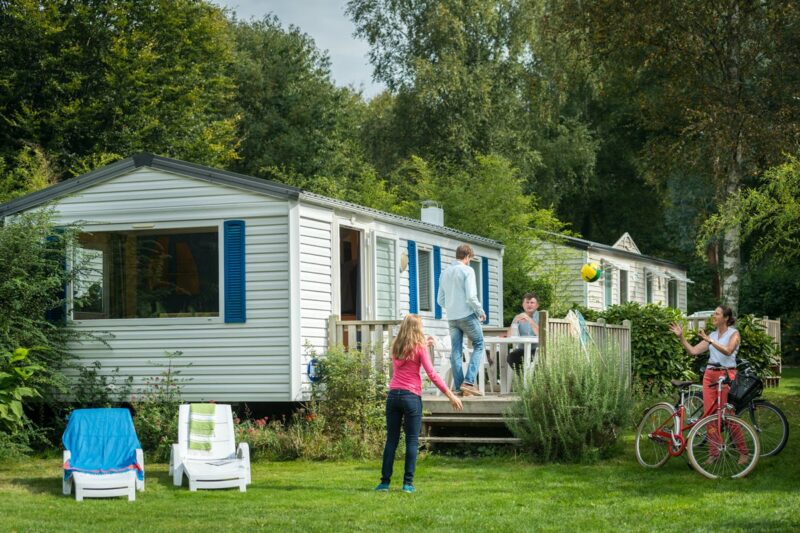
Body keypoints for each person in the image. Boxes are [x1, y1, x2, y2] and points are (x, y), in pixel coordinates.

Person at [375, 315, 462, 493]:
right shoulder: (419, 347)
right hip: (411, 396)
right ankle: (408, 484)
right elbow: (432, 373)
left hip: (393, 396)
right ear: (418, 328)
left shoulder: (395, 347)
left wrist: (425, 344)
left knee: (391, 440)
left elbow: (409, 353)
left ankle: (384, 483)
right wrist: (450, 395)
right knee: (412, 441)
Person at [669, 305, 749, 464]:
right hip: (710, 375)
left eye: (717, 314)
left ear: (726, 318)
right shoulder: (712, 335)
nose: (714, 316)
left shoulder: (734, 333)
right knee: (710, 415)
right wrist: (681, 337)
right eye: (714, 314)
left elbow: (728, 350)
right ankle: (714, 452)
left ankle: (744, 453)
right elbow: (693, 351)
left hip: (726, 375)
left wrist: (710, 341)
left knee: (728, 414)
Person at [436, 244, 486, 396]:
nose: (470, 261)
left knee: (456, 351)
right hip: (467, 315)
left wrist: (451, 306)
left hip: (452, 318)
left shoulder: (444, 273)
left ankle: (459, 388)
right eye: (470, 258)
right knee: (479, 344)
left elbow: (440, 300)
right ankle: (469, 382)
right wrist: (480, 311)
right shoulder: (467, 270)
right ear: (467, 256)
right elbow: (471, 296)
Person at [506, 292, 540, 375]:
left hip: (537, 351)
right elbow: (509, 337)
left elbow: (540, 334)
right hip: (522, 350)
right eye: (527, 302)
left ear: (537, 305)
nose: (529, 305)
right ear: (523, 305)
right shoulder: (518, 317)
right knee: (511, 357)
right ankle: (524, 380)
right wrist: (514, 321)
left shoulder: (541, 316)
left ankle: (527, 381)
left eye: (532, 302)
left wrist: (529, 319)